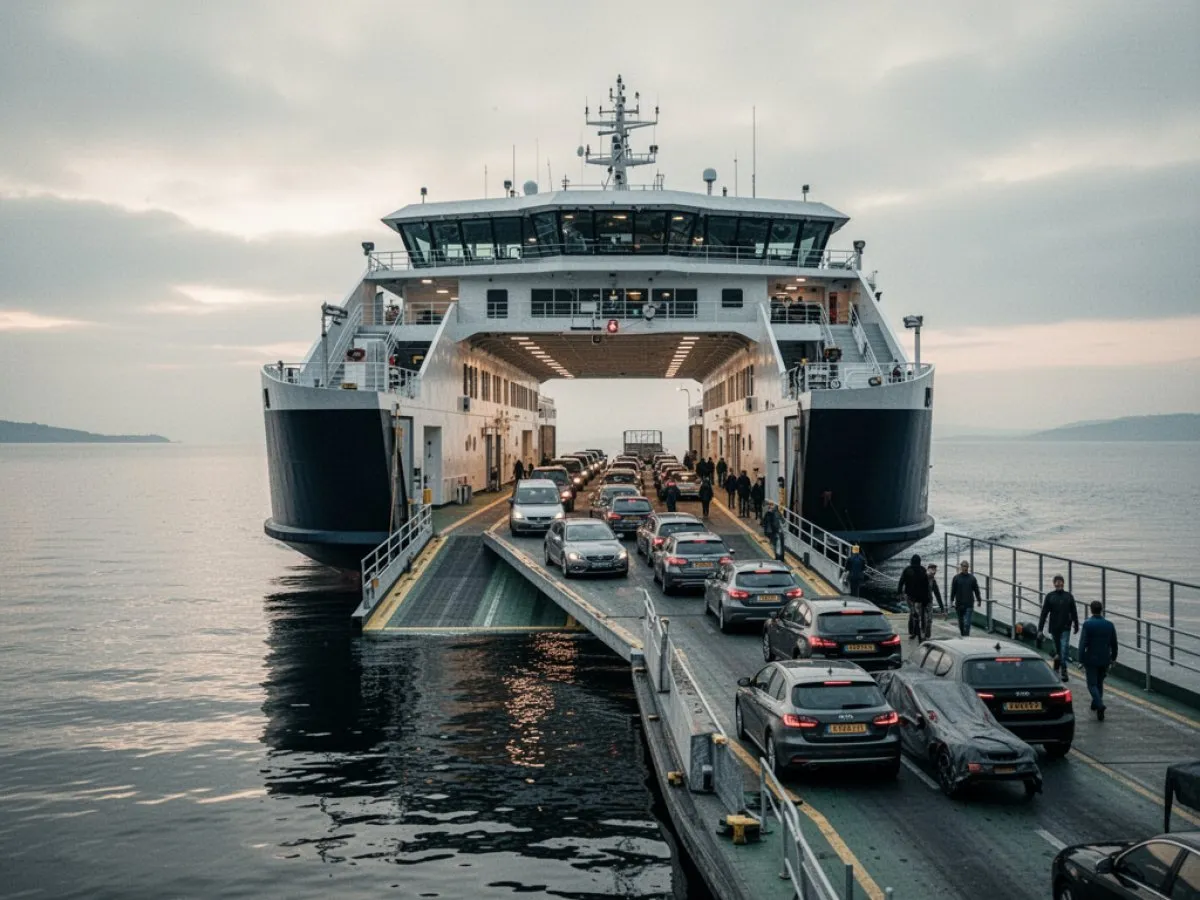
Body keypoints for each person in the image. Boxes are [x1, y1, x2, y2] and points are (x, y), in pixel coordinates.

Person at [1078, 600, 1118, 721]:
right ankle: (1096, 703)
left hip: (1091, 659)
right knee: (1100, 683)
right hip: (1105, 658)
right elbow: (1114, 644)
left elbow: (1082, 644)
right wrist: (1113, 658)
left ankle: (1099, 705)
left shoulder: (1087, 624)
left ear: (1091, 610)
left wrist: (1081, 659)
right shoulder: (1109, 625)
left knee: (1092, 684)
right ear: (1101, 609)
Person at [1038, 574, 1080, 682]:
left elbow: (1074, 611)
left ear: (1063, 583)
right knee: (1058, 650)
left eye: (1060, 582)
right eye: (1057, 582)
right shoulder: (1050, 596)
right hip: (1054, 628)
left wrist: (1076, 624)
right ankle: (1058, 669)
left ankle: (1063, 670)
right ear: (1054, 584)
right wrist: (1040, 629)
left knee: (1063, 648)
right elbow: (1044, 613)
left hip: (1066, 627)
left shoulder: (1069, 596)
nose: (1059, 584)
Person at [898, 554, 933, 640]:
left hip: (910, 597)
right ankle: (923, 631)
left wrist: (899, 593)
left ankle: (912, 632)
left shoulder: (907, 570)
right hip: (921, 597)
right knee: (922, 615)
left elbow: (901, 582)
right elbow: (926, 586)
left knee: (912, 614)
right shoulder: (923, 570)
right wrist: (927, 598)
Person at [949, 560, 982, 637]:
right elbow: (953, 590)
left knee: (967, 623)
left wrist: (979, 599)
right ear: (961, 567)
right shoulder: (956, 578)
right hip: (959, 604)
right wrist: (951, 600)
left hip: (969, 603)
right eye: (963, 566)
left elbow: (976, 590)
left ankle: (966, 637)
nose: (965, 568)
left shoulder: (972, 578)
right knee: (961, 623)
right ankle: (963, 635)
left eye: (966, 566)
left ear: (968, 567)